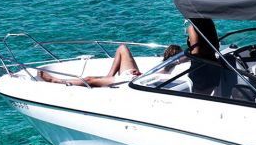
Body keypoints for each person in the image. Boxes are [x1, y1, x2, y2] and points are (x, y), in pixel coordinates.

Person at [39, 43, 182, 86]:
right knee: (122, 48)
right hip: (136, 77)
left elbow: (158, 78)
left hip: (133, 81)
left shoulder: (172, 64)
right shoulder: (165, 63)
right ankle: (108, 76)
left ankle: (55, 81)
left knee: (89, 79)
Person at [185, 18, 220, 94]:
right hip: (213, 65)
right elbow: (216, 47)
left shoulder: (193, 27)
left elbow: (196, 53)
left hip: (201, 70)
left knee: (200, 99)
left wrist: (184, 57)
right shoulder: (209, 22)